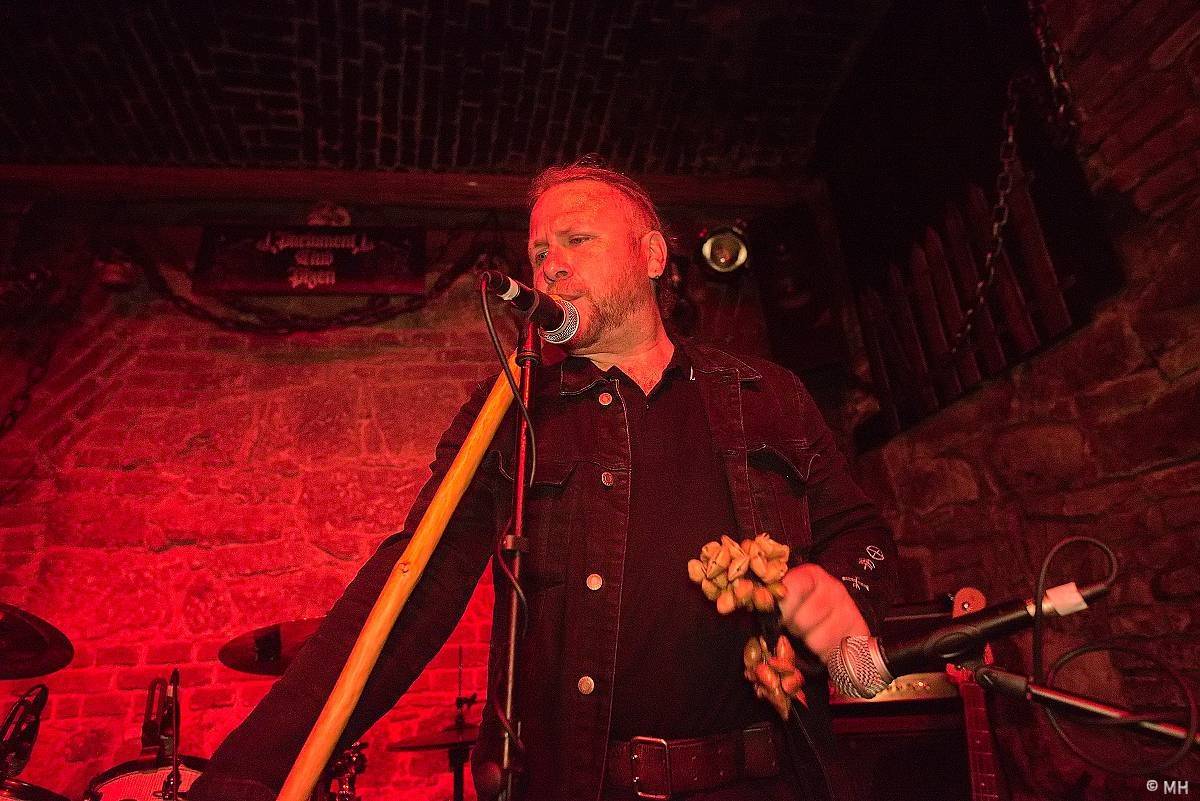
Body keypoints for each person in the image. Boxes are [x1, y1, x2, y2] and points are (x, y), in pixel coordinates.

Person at [189, 157, 895, 801]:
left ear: (651, 254)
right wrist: (244, 776)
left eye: (577, 240)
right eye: (538, 251)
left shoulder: (765, 393)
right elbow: (412, 584)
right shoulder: (514, 410)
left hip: (771, 780)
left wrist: (841, 587)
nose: (550, 264)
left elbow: (861, 534)